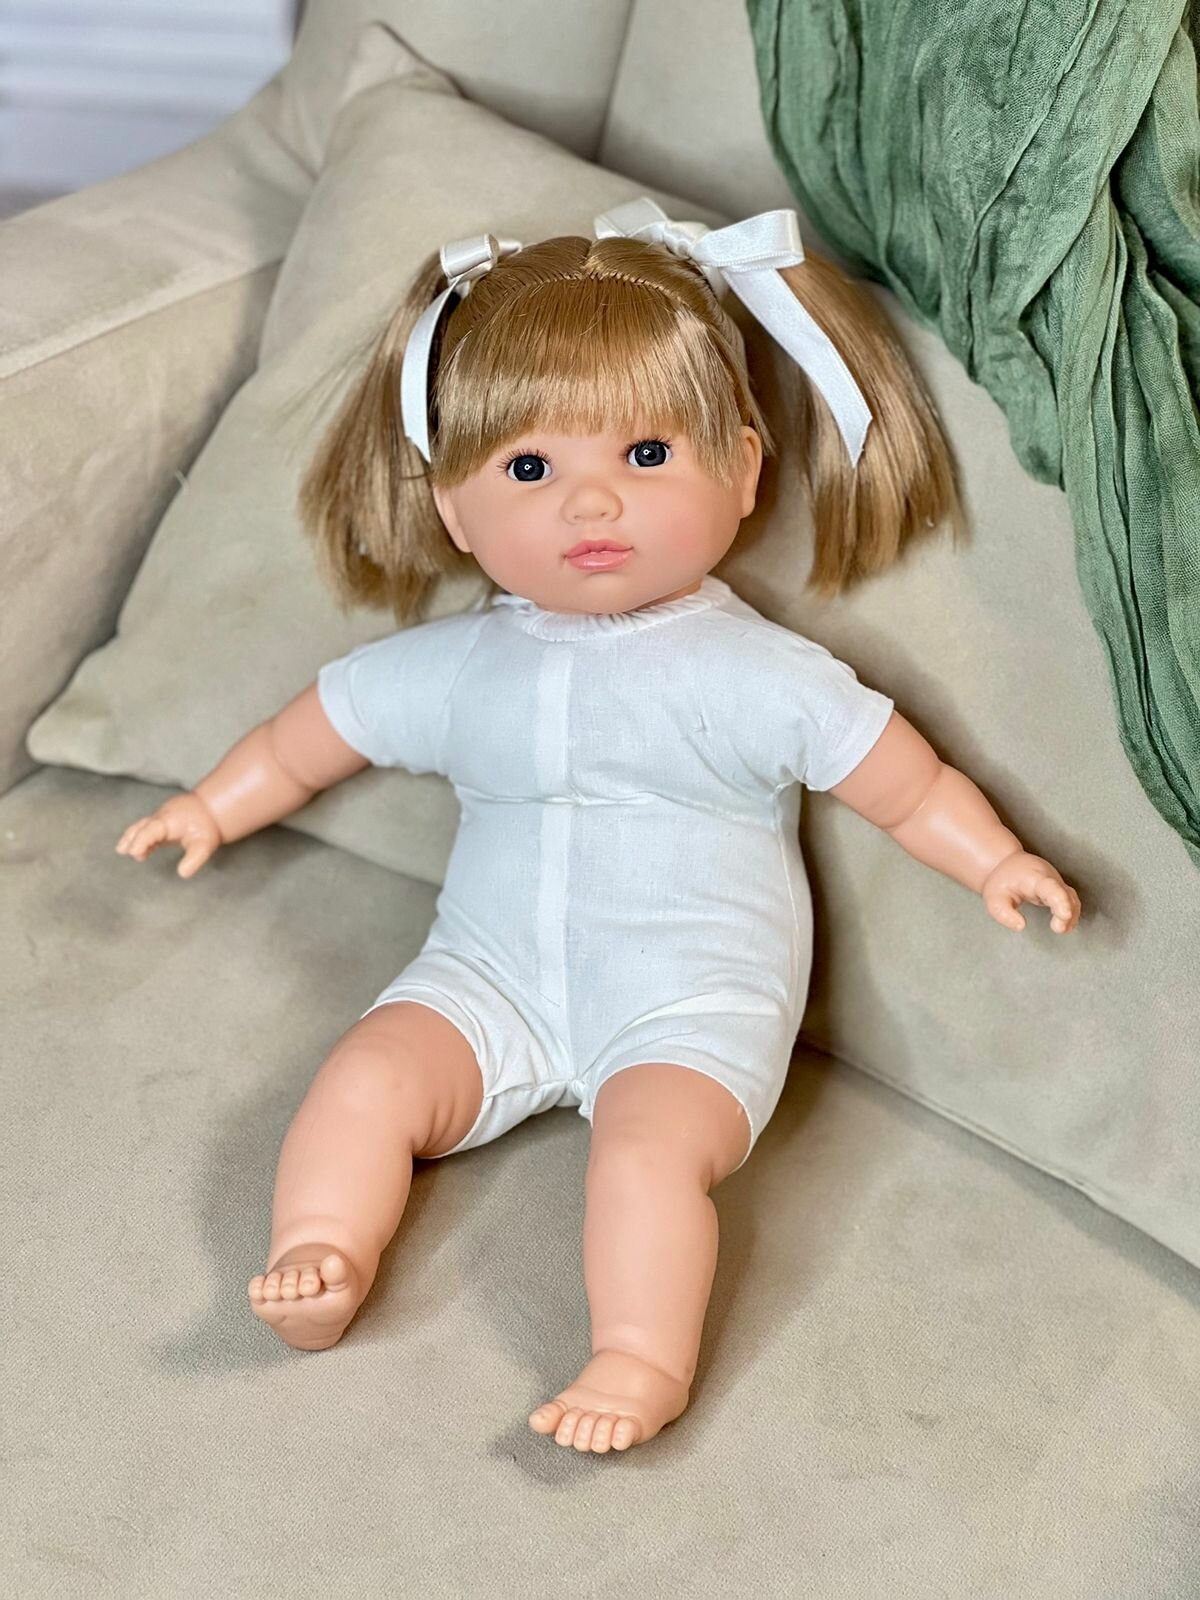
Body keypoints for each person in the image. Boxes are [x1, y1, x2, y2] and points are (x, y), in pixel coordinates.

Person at [115, 198, 1081, 1454]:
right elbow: (313, 734)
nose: (591, 506)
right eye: (530, 469)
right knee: (366, 1078)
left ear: (744, 470)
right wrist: (211, 804)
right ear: (454, 510)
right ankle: (321, 1249)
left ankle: (638, 1357)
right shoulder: (461, 667)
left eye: (645, 454)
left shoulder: (759, 676)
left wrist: (995, 858)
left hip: (690, 1004)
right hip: (489, 978)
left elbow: (901, 781)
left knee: (644, 1156)